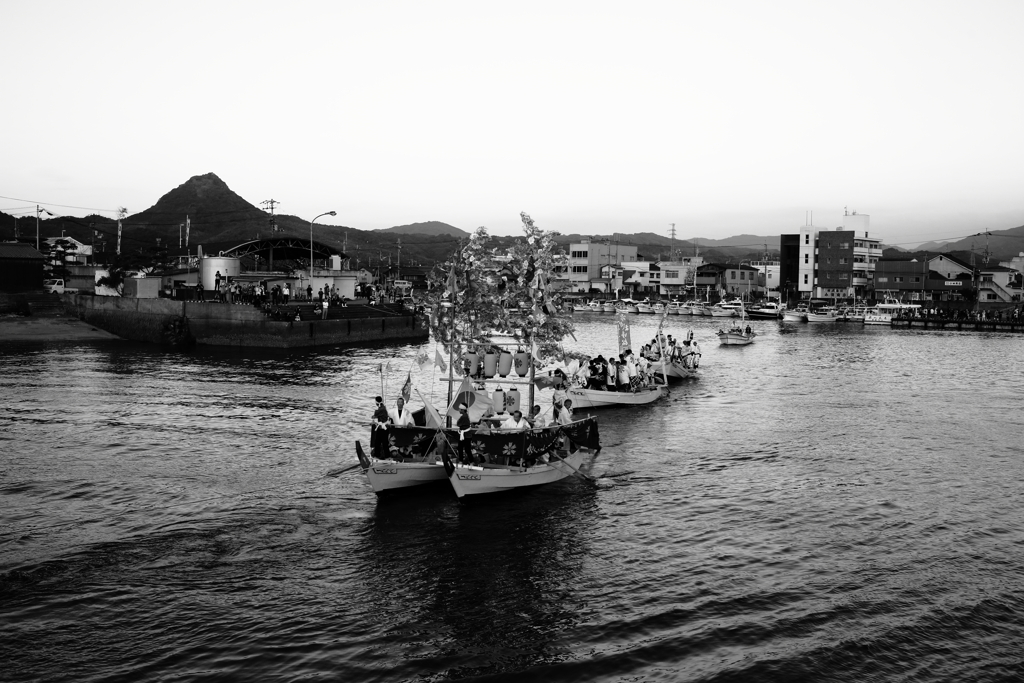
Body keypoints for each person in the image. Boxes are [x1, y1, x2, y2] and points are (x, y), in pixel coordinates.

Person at [371, 396, 390, 460]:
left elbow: (374, 416)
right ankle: (385, 455)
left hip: (383, 428)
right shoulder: (383, 407)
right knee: (383, 442)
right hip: (382, 427)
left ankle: (378, 455)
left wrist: (374, 419)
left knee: (379, 442)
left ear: (376, 402)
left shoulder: (380, 410)